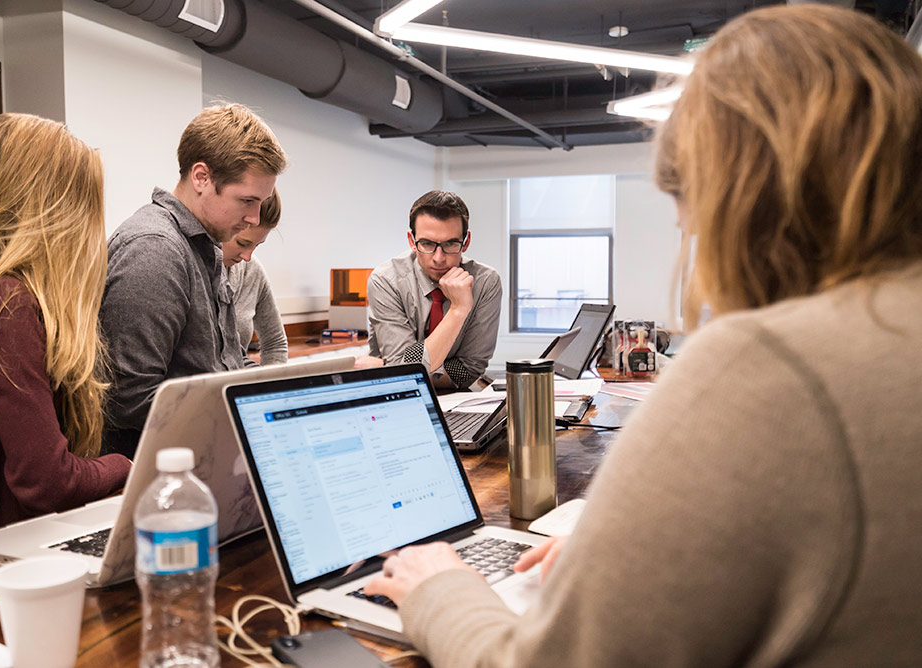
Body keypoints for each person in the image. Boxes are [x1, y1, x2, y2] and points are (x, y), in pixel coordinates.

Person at [364, 5, 922, 666]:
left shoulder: (765, 365)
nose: (686, 229)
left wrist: (441, 590)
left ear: (734, 189)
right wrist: (653, 556)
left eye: (683, 199)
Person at [0, 114, 132, 548]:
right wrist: (127, 466)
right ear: (56, 213)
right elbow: (45, 482)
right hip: (6, 551)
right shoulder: (5, 302)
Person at [100, 103, 287, 457]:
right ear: (201, 177)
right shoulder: (155, 250)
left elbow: (223, 362)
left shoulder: (205, 248)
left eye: (259, 203)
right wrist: (241, 409)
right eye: (246, 200)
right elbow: (128, 398)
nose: (252, 217)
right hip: (156, 470)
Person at [367, 190, 502, 389]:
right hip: (395, 398)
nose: (439, 258)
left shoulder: (485, 282)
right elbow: (404, 376)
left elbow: (470, 369)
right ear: (412, 241)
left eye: (450, 243)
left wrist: (394, 367)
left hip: (457, 401)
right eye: (427, 244)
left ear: (466, 242)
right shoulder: (386, 280)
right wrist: (458, 310)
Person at [223, 189, 288, 365]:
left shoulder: (252, 270)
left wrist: (270, 390)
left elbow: (275, 343)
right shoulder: (188, 265)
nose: (247, 256)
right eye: (242, 243)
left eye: (256, 246)